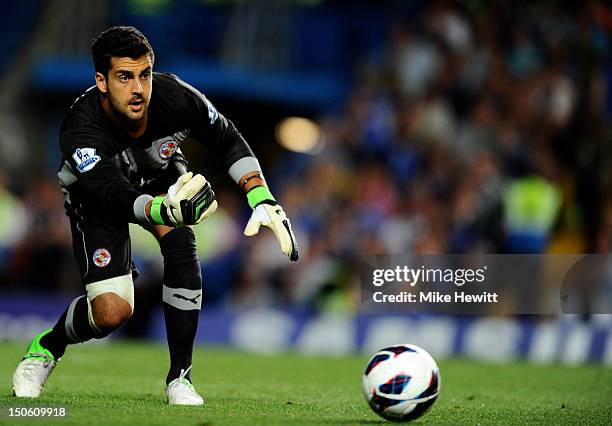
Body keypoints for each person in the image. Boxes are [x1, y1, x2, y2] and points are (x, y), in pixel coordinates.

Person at [12, 26, 298, 405]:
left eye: (144, 74)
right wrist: (159, 207)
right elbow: (112, 194)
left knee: (181, 240)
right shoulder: (80, 129)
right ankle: (46, 348)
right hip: (97, 195)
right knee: (112, 313)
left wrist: (261, 197)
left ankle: (180, 377)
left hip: (158, 174)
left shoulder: (174, 96)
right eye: (124, 77)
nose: (138, 89)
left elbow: (227, 138)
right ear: (101, 80)